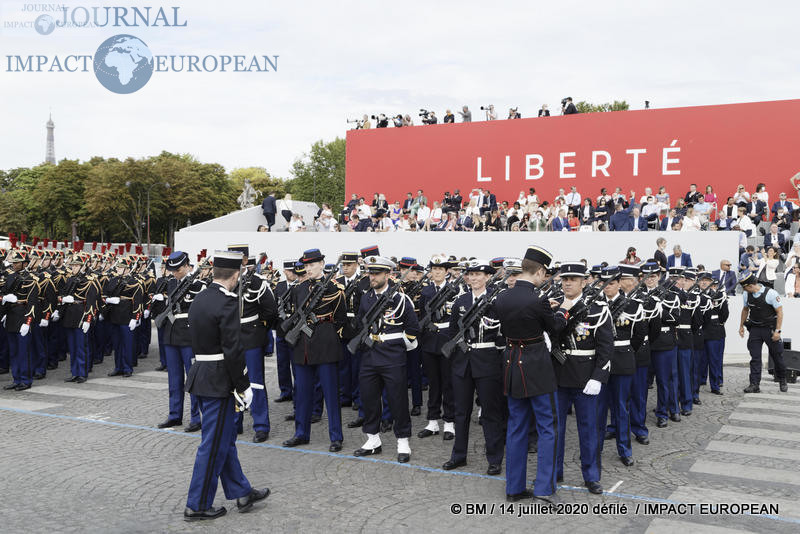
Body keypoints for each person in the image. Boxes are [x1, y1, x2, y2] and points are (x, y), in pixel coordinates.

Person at [183, 250, 269, 521]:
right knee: (212, 444)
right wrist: (244, 385)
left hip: (202, 374)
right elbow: (232, 350)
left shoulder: (200, 298)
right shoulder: (228, 302)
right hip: (220, 379)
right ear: (235, 275)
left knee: (224, 439)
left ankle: (241, 491)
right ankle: (197, 504)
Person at [492, 246, 572, 503]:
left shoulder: (502, 297)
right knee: (548, 427)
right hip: (536, 365)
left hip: (511, 362)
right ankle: (544, 488)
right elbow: (556, 327)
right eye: (544, 273)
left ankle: (514, 488)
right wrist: (562, 311)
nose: (545, 278)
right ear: (538, 271)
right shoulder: (538, 300)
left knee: (516, 426)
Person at [552, 262, 612, 495]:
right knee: (555, 429)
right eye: (565, 278)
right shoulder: (554, 307)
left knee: (589, 430)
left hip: (586, 378)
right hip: (558, 375)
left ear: (584, 282)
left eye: (573, 279)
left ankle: (591, 475)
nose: (567, 282)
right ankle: (554, 471)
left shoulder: (597, 309)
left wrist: (598, 377)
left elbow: (606, 348)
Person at [352, 256, 419, 463]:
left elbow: (413, 328)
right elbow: (362, 323)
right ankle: (373, 439)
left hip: (392, 355)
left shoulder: (400, 299)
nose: (372, 277)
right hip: (370, 355)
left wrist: (399, 346)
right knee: (369, 398)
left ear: (388, 275)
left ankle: (403, 441)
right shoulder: (366, 298)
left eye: (377, 274)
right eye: (371, 273)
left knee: (397, 399)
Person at [443, 259, 505, 476]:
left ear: (488, 277)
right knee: (461, 411)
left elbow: (503, 333)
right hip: (462, 362)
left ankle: (495, 459)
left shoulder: (496, 301)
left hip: (487, 360)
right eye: (471, 274)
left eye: (479, 274)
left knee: (491, 412)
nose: (474, 278)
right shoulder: (460, 301)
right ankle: (458, 455)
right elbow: (452, 331)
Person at [283, 249, 346, 451]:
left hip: (326, 342)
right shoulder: (299, 289)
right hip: (303, 346)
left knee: (330, 394)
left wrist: (329, 334)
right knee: (302, 393)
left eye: (312, 265)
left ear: (321, 264)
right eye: (306, 265)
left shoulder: (335, 289)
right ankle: (301, 433)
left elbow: (341, 319)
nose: (308, 269)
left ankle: (336, 436)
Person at [229, 246, 278, 443]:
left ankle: (261, 425)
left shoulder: (257, 282)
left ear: (245, 259)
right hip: (232, 339)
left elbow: (270, 310)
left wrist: (259, 330)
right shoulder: (227, 282)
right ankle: (235, 421)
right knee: (234, 381)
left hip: (251, 337)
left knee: (255, 382)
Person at [598, 265, 644, 468]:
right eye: (604, 283)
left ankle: (624, 449)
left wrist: (624, 352)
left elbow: (639, 335)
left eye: (612, 283)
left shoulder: (633, 306)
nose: (607, 287)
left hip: (622, 358)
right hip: (599, 361)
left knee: (621, 407)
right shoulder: (595, 305)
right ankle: (595, 448)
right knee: (598, 408)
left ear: (619, 284)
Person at [158, 251, 205, 432]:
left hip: (188, 336)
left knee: (192, 378)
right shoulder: (170, 284)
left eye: (177, 270)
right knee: (174, 379)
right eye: (172, 270)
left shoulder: (198, 285)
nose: (174, 273)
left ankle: (195, 417)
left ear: (186, 266)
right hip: (171, 335)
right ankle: (174, 414)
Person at [417, 255, 459, 441]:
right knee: (433, 383)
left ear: (446, 271)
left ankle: (449, 422)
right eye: (434, 269)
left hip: (447, 340)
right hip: (429, 341)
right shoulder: (425, 291)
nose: (437, 272)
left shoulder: (456, 290)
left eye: (441, 269)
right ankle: (433, 421)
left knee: (448, 383)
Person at [739, 272, 787, 393]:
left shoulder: (771, 294)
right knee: (755, 357)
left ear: (750, 285)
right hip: (755, 329)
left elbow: (780, 312)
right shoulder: (746, 294)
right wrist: (741, 326)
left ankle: (782, 379)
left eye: (744, 287)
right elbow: (745, 310)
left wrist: (778, 331)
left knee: (777, 356)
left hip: (770, 329)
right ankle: (754, 384)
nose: (743, 289)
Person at [2, 249, 39, 391]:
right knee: (14, 352)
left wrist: (28, 322)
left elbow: (33, 303)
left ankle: (25, 379)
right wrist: (4, 310)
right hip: (11, 316)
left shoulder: (31, 279)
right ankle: (16, 379)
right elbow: (4, 294)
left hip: (23, 317)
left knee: (24, 352)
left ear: (25, 263)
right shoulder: (10, 277)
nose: (14, 265)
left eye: (17, 263)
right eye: (13, 262)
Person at [60, 253, 99, 383]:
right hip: (70, 314)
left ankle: (82, 373)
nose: (74, 268)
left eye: (77, 265)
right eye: (73, 265)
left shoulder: (89, 281)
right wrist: (64, 299)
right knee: (72, 347)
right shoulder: (70, 279)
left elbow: (91, 302)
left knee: (81, 346)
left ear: (83, 266)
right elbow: (62, 294)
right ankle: (74, 372)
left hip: (81, 315)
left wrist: (88, 319)